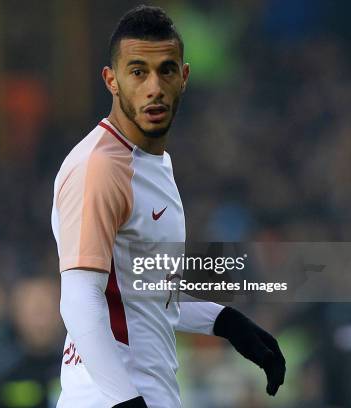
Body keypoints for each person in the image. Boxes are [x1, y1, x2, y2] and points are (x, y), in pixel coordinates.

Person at [51, 6, 285, 408]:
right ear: (112, 80)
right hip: (106, 398)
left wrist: (224, 321)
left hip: (148, 392)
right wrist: (127, 402)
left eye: (166, 70)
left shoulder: (151, 163)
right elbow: (78, 298)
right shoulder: (101, 166)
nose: (154, 86)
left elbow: (141, 290)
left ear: (184, 77)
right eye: (138, 71)